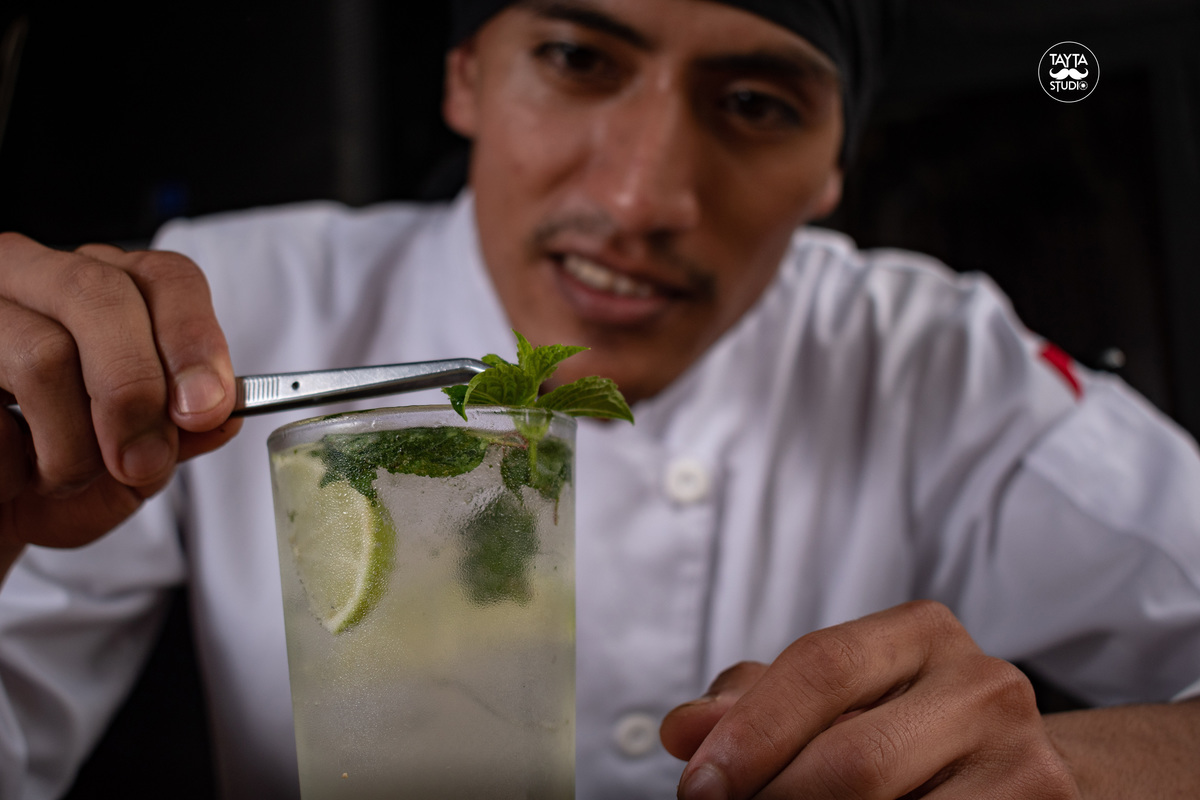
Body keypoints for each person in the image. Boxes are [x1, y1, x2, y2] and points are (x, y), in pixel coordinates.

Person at [2, 0, 1199, 797]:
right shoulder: (225, 308)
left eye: (755, 102)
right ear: (465, 75)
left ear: (835, 159)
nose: (640, 199)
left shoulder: (929, 357)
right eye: (578, 60)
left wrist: (1078, 767)